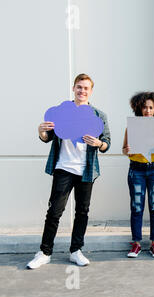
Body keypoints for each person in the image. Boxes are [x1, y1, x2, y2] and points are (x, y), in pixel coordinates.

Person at [27, 73, 111, 269]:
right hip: (63, 168)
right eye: (79, 87)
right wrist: (41, 131)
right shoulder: (61, 112)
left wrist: (99, 143)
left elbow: (107, 143)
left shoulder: (99, 115)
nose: (82, 91)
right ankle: (45, 252)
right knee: (54, 211)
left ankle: (76, 251)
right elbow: (47, 137)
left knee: (82, 211)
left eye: (86, 88)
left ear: (91, 91)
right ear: (73, 88)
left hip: (86, 171)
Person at [122, 92, 154, 258]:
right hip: (136, 170)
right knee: (136, 207)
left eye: (151, 107)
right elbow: (124, 150)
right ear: (139, 108)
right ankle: (136, 244)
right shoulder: (132, 127)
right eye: (144, 107)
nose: (148, 110)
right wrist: (127, 150)